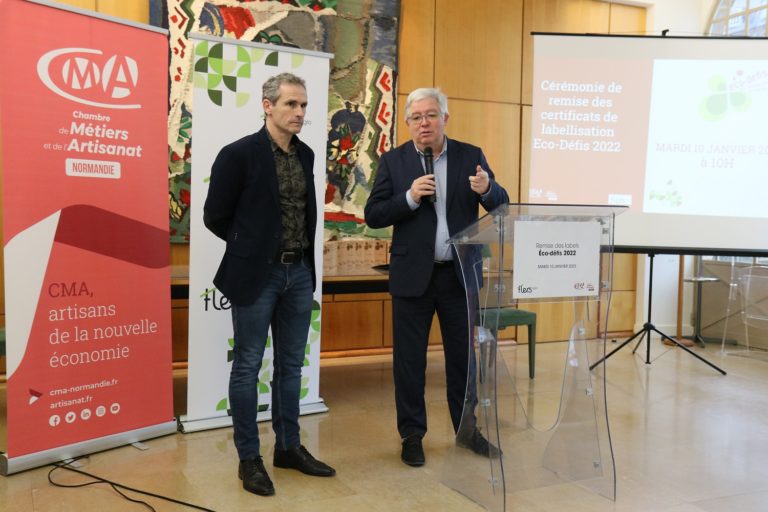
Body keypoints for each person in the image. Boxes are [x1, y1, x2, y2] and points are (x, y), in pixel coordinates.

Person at [204, 72, 335, 497]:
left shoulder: (308, 155)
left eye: (303, 106)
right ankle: (249, 459)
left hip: (299, 274)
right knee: (247, 367)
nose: (299, 113)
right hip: (257, 275)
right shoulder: (237, 154)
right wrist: (251, 250)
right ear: (268, 105)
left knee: (291, 366)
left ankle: (289, 448)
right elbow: (215, 216)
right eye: (291, 105)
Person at [364, 87, 509, 467]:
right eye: (416, 117)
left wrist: (488, 189)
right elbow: (374, 214)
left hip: (459, 277)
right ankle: (412, 435)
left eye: (431, 115)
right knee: (409, 361)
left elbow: (502, 206)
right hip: (413, 277)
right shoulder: (394, 162)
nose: (424, 123)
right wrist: (409, 197)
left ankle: (467, 429)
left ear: (446, 118)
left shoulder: (470, 156)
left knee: (463, 360)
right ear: (408, 123)